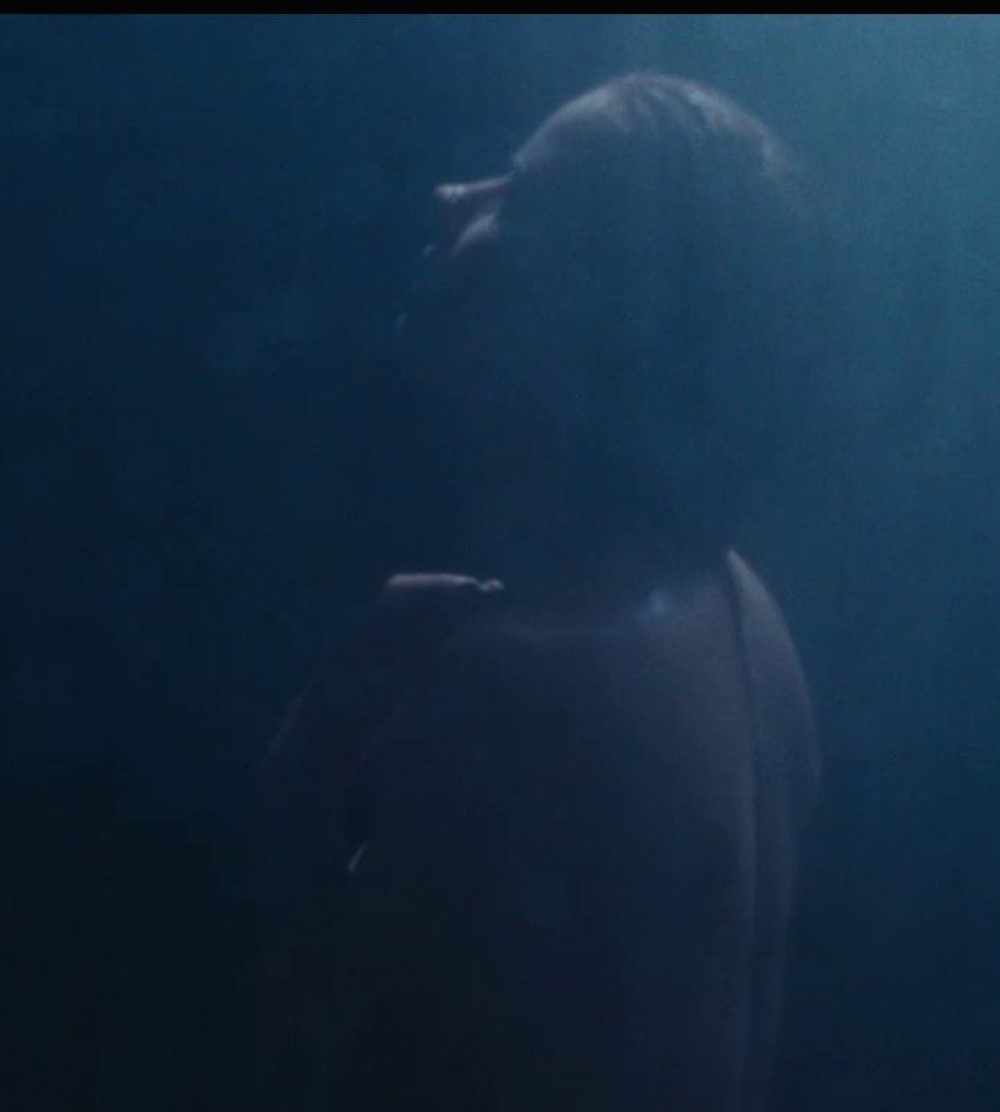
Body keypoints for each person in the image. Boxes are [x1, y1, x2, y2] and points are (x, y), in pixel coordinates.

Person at [258, 72, 825, 1112]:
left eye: (517, 199)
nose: (450, 196)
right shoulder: (744, 610)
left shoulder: (513, 685)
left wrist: (318, 741)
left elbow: (314, 1053)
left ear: (594, 313)